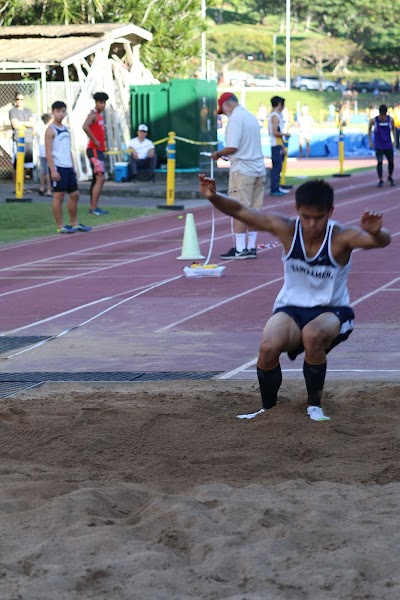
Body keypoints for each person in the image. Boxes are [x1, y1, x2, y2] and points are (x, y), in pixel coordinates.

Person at [198, 174, 391, 422]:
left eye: (319, 218)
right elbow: (240, 210)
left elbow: (379, 241)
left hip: (332, 312)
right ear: (297, 209)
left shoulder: (341, 237)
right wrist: (214, 197)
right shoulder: (286, 228)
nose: (312, 224)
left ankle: (314, 406)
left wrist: (378, 233)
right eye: (306, 217)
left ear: (330, 212)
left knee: (312, 335)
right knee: (268, 346)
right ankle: (268, 409)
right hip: (291, 310)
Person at [211, 92, 266, 260]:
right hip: (258, 168)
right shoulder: (250, 117)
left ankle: (240, 248)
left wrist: (218, 154)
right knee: (254, 210)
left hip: (243, 169)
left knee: (238, 209)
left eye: (224, 110)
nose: (225, 114)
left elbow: (233, 147)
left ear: (228, 105)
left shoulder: (235, 119)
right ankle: (251, 246)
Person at [45, 101, 92, 235]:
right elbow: (48, 151)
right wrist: (53, 169)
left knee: (75, 194)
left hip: (68, 166)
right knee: (59, 195)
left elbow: (68, 149)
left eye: (63, 111)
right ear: (53, 112)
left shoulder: (65, 129)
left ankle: (74, 223)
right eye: (58, 111)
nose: (61, 114)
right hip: (58, 166)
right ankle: (60, 225)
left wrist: (73, 166)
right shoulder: (50, 130)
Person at [82, 91, 109, 216]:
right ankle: (93, 208)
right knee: (100, 177)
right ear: (96, 103)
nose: (103, 105)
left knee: (98, 178)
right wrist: (95, 141)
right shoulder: (93, 115)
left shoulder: (100, 116)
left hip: (99, 150)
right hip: (94, 150)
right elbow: (85, 126)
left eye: (104, 103)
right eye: (101, 103)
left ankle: (94, 206)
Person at [9, 92, 35, 184]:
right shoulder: (13, 111)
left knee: (26, 165)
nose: (19, 101)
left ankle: (21, 186)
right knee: (17, 164)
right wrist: (25, 123)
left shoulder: (28, 111)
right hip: (17, 139)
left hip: (28, 139)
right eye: (18, 99)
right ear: (15, 100)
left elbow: (32, 123)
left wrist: (21, 123)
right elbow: (15, 125)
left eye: (21, 99)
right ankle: (16, 186)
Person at [368, 104, 396, 187]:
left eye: (384, 115)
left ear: (386, 114)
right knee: (379, 162)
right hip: (379, 145)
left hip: (388, 144)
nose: (383, 117)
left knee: (391, 162)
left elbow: (394, 129)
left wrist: (394, 140)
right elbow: (369, 130)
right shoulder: (374, 121)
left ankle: (390, 176)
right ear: (379, 113)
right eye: (381, 115)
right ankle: (380, 179)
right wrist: (370, 141)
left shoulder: (390, 120)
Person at [268, 95, 290, 197]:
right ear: (279, 104)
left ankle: (276, 187)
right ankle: (274, 188)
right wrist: (285, 135)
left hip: (278, 144)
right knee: (277, 167)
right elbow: (275, 132)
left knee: (278, 167)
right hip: (276, 145)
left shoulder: (275, 116)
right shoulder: (275, 116)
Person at [37, 112, 52, 196]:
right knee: (48, 171)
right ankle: (49, 190)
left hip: (41, 151)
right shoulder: (49, 129)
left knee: (43, 171)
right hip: (47, 151)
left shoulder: (41, 128)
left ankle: (42, 187)